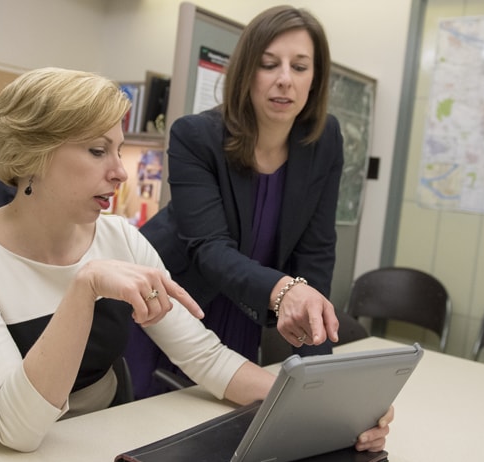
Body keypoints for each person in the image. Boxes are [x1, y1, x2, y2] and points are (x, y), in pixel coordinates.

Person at [0, 66, 393, 453]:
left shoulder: (120, 237)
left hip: (96, 448)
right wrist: (84, 289)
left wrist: (325, 412)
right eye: (96, 150)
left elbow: (204, 356)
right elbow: (17, 429)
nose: (119, 172)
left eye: (119, 150)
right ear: (31, 154)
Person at [129, 5, 344, 398]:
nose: (284, 80)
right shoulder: (196, 136)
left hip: (246, 305)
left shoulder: (323, 139)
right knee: (156, 428)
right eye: (268, 64)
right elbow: (209, 249)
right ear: (247, 71)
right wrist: (283, 291)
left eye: (299, 67)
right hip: (172, 307)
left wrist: (321, 382)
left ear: (315, 78)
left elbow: (317, 251)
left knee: (224, 433)